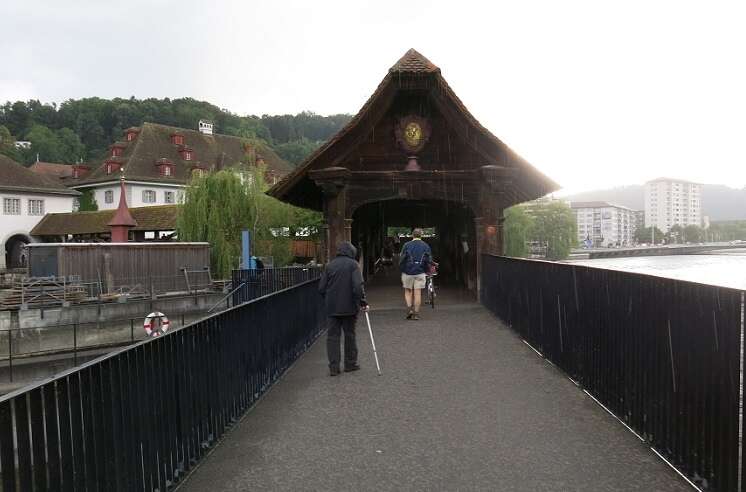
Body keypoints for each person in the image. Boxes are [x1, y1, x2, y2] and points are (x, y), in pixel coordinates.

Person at [318, 241, 368, 376]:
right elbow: (358, 286)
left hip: (332, 308)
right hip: (350, 307)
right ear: (352, 252)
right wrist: (362, 301)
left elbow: (321, 288)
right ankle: (350, 364)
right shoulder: (353, 265)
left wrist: (329, 298)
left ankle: (334, 367)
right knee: (350, 335)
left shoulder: (330, 266)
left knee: (332, 337)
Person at [399, 228, 432, 320]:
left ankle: (409, 310)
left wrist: (402, 269)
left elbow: (402, 259)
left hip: (407, 272)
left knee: (408, 291)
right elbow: (428, 260)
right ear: (421, 235)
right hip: (420, 272)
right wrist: (427, 270)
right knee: (418, 293)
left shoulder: (406, 245)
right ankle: (416, 313)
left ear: (412, 235)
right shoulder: (426, 246)